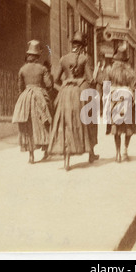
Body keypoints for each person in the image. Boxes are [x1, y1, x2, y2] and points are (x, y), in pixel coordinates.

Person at [48, 31, 99, 171]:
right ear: (82, 46)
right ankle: (91, 154)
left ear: (73, 45)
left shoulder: (63, 59)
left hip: (65, 95)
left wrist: (64, 90)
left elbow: (55, 81)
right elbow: (90, 79)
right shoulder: (84, 58)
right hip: (80, 93)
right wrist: (94, 80)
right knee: (89, 120)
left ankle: (66, 161)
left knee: (65, 124)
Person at [12, 40, 53, 164]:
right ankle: (46, 150)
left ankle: (31, 155)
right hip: (39, 96)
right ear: (37, 56)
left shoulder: (22, 69)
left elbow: (20, 88)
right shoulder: (42, 68)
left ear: (29, 55)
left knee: (28, 126)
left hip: (25, 98)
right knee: (45, 121)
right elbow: (49, 84)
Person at [107, 45, 136, 163]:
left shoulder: (110, 70)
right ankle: (125, 151)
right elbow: (134, 87)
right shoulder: (130, 71)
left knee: (116, 127)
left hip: (114, 99)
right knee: (128, 127)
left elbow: (106, 85)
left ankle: (117, 154)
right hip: (127, 98)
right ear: (125, 60)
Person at [94, 51, 112, 116]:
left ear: (104, 58)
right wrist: (97, 67)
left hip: (106, 84)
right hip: (98, 84)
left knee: (106, 98)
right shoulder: (97, 67)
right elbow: (94, 76)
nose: (101, 60)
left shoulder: (108, 66)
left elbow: (110, 75)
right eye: (100, 58)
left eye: (102, 58)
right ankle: (100, 112)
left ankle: (106, 111)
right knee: (98, 97)